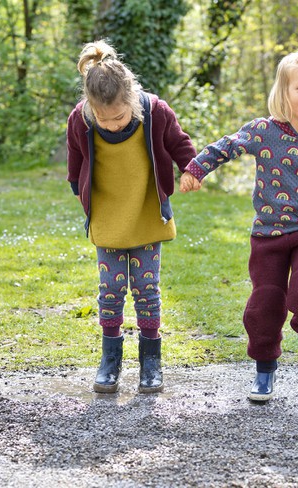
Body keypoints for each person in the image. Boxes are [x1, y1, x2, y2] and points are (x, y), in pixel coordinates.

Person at [180, 42, 298, 401]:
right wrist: (197, 168)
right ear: (285, 92)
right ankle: (264, 372)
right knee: (264, 303)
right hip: (268, 236)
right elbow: (226, 146)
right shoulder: (264, 131)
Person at [67, 40, 196, 394]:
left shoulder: (155, 111)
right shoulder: (80, 118)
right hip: (107, 219)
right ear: (90, 108)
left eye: (119, 117)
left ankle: (150, 363)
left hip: (145, 215)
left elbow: (180, 144)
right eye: (102, 118)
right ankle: (110, 362)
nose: (110, 125)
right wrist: (79, 193)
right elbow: (75, 161)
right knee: (110, 290)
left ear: (132, 98)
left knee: (146, 289)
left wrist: (191, 169)